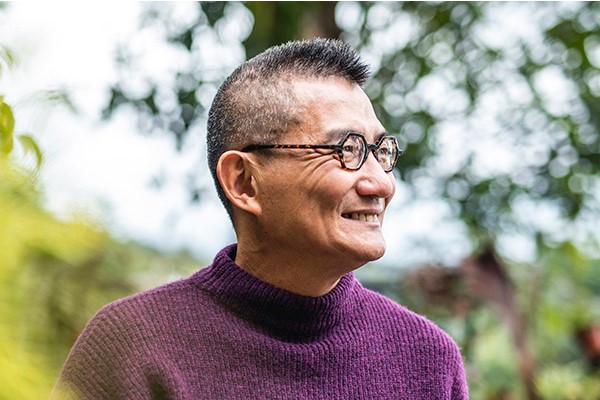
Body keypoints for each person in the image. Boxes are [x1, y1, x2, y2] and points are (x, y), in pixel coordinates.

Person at [54, 38, 469, 399]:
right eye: (346, 150)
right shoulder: (134, 346)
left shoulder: (426, 357)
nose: (381, 184)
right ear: (245, 182)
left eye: (381, 152)